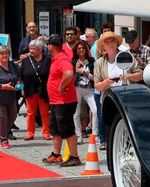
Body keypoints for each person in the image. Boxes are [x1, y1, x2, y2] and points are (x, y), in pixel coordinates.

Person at [93, 31, 142, 149]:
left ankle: (128, 151)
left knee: (128, 126)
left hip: (127, 99)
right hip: (109, 101)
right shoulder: (99, 62)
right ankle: (113, 155)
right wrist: (106, 82)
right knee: (111, 128)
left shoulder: (126, 57)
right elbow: (97, 85)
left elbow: (140, 75)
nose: (110, 44)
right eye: (107, 42)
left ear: (116, 43)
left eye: (113, 41)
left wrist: (128, 76)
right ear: (103, 46)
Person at [42, 34, 81, 167]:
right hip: (56, 102)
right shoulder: (55, 58)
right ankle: (56, 154)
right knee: (56, 129)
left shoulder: (62, 58)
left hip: (64, 102)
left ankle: (74, 156)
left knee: (67, 129)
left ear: (51, 46)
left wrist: (61, 86)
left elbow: (69, 73)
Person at [19, 39, 51, 141]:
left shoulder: (47, 59)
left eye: (34, 49)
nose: (31, 51)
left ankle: (46, 132)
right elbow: (21, 76)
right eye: (30, 49)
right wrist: (21, 89)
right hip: (30, 90)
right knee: (30, 112)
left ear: (40, 50)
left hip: (43, 90)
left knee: (44, 113)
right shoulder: (26, 60)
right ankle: (30, 133)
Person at [72, 40, 97, 143]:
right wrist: (76, 71)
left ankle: (94, 135)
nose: (81, 50)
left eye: (83, 48)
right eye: (79, 48)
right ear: (76, 50)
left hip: (89, 88)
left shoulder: (91, 61)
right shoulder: (73, 61)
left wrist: (83, 72)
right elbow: (71, 77)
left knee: (95, 110)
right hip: (77, 88)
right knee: (76, 113)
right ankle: (79, 136)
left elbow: (95, 77)